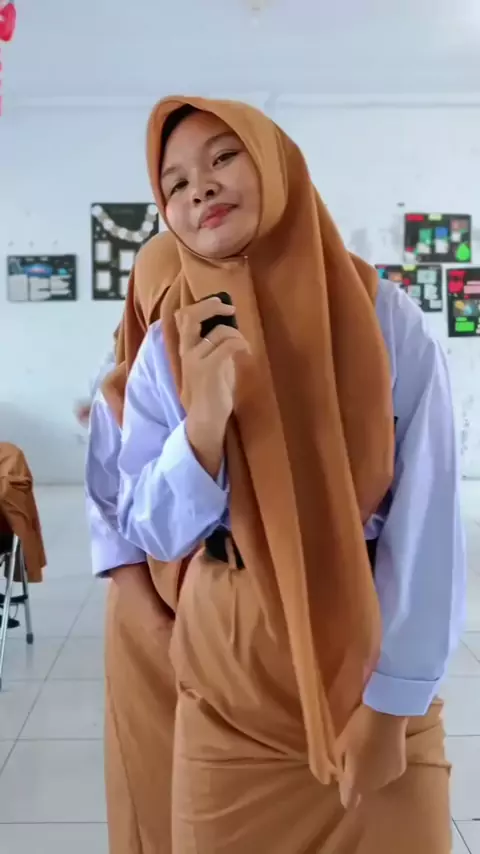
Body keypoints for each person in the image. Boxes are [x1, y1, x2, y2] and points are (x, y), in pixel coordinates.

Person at [86, 97, 465, 854]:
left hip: (366, 645)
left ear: (276, 166)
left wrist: (393, 703)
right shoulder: (168, 345)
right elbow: (152, 528)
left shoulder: (382, 317)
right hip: (230, 669)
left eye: (224, 157)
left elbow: (428, 518)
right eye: (175, 183)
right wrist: (203, 425)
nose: (200, 187)